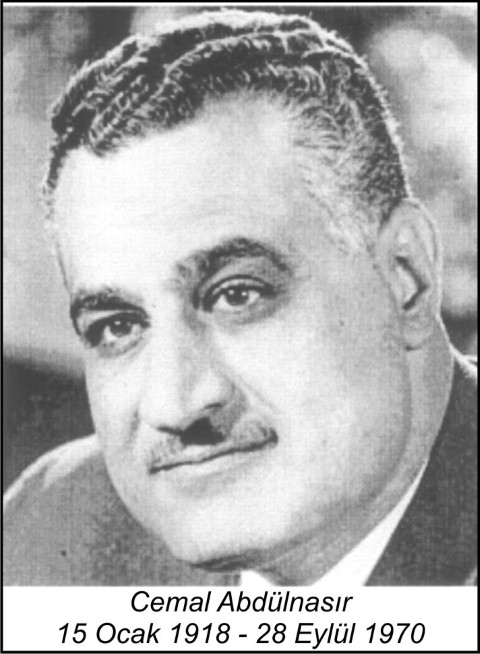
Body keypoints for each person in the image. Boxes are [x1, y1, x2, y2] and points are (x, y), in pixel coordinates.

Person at [4, 9, 477, 586]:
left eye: (236, 295)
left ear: (407, 278)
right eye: (117, 326)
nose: (174, 406)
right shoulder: (53, 525)